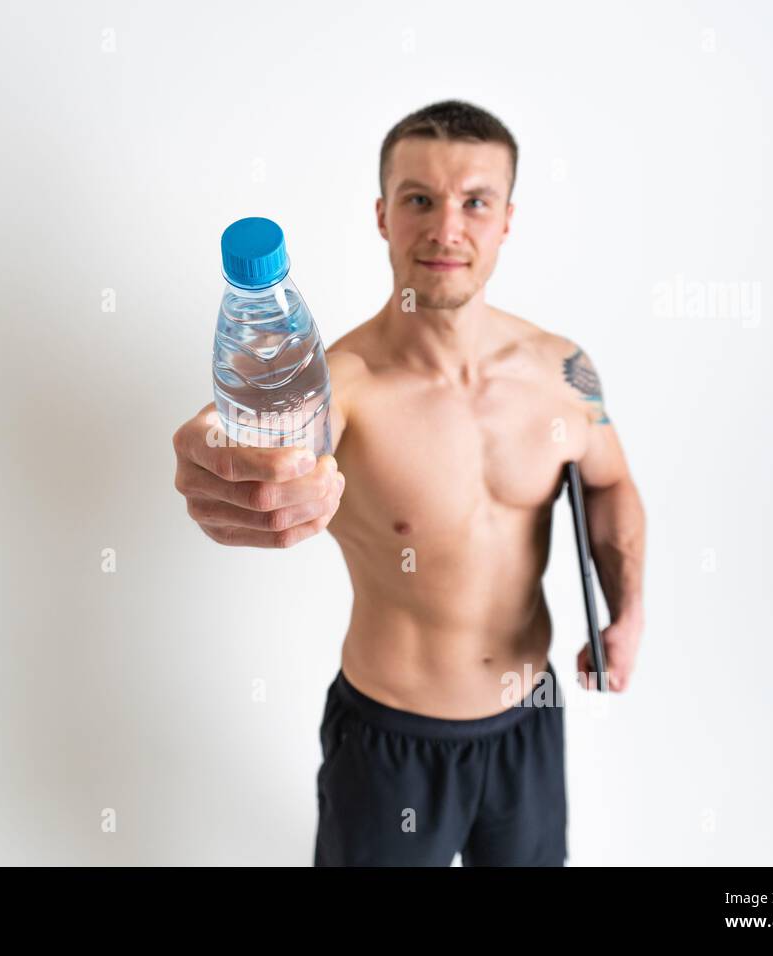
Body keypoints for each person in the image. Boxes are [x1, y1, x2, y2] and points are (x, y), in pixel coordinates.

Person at [171, 100, 646, 866]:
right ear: (382, 216)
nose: (446, 227)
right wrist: (219, 452)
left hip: (530, 718)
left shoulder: (561, 372)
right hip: (390, 742)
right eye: (419, 198)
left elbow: (611, 484)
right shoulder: (346, 385)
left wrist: (627, 609)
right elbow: (265, 428)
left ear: (507, 220)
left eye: (475, 201)